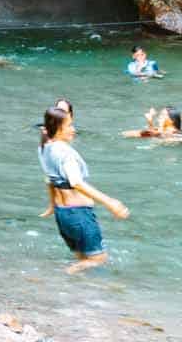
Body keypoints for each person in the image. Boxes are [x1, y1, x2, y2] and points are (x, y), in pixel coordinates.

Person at [39, 107, 129, 273]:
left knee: (83, 258)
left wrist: (52, 205)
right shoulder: (66, 154)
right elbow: (77, 183)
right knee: (98, 259)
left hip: (62, 214)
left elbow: (49, 180)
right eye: (69, 126)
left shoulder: (45, 148)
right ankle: (63, 275)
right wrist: (110, 203)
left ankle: (76, 290)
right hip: (79, 215)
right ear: (58, 128)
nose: (73, 130)